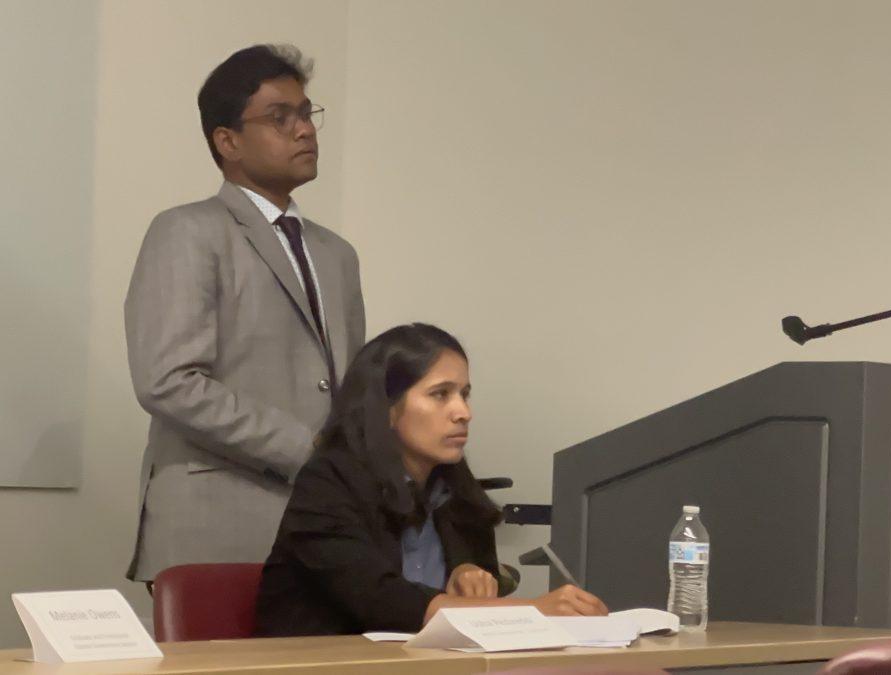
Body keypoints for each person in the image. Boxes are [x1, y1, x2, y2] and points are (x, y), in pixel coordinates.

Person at [124, 44, 366, 584]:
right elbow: (168, 381)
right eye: (281, 118)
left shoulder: (337, 254)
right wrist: (305, 449)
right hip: (216, 525)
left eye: (306, 113)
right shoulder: (186, 231)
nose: (304, 129)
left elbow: (347, 387)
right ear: (227, 141)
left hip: (327, 529)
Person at [255, 324, 607, 636]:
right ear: (386, 408)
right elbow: (383, 601)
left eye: (465, 394)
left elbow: (477, 595)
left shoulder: (457, 491)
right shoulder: (326, 484)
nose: (463, 412)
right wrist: (536, 611)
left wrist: (470, 572)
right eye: (441, 394)